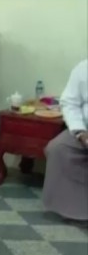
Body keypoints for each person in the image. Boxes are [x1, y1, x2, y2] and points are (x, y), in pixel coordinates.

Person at [42, 59, 88, 221]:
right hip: (83, 129)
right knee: (58, 147)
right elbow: (69, 103)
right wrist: (80, 132)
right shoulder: (83, 68)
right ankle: (74, 211)